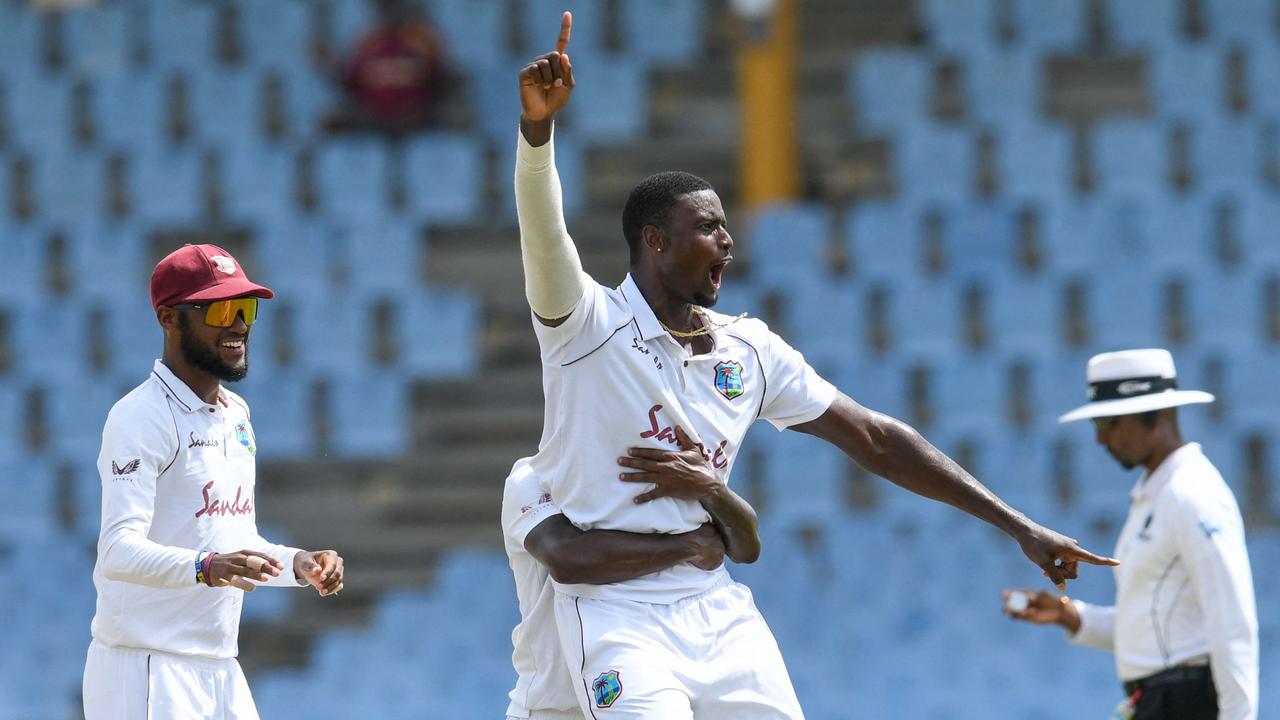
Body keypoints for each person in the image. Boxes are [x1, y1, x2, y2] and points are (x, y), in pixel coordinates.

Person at [512, 12, 1117, 719]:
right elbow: (544, 234)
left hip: (717, 610)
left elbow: (876, 439)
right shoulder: (586, 328)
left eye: (726, 226)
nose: (728, 242)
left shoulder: (750, 350)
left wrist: (1019, 526)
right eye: (708, 228)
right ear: (654, 241)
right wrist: (537, 135)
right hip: (616, 614)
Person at [82, 244, 346, 720]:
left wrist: (297, 564)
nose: (239, 324)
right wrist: (207, 567)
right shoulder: (139, 418)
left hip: (220, 666)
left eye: (245, 309)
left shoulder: (235, 416)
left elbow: (233, 542)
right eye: (221, 310)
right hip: (147, 668)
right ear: (168, 318)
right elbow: (118, 551)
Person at [1003, 348, 1258, 720]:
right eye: (1096, 426)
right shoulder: (1156, 495)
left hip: (1184, 701)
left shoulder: (1193, 495)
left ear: (1152, 414)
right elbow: (1157, 630)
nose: (1100, 441)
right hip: (1158, 701)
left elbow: (1231, 619)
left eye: (1107, 424)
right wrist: (1069, 615)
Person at [503, 450, 727, 720]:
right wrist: (688, 546)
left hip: (657, 692)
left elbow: (745, 547)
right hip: (555, 710)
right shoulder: (530, 478)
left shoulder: (668, 477)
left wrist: (713, 492)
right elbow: (569, 558)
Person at [322, 0, 449, 135]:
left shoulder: (421, 39)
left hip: (416, 117)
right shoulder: (368, 41)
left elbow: (438, 79)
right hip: (372, 116)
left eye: (396, 10)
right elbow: (352, 80)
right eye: (386, 10)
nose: (391, 15)